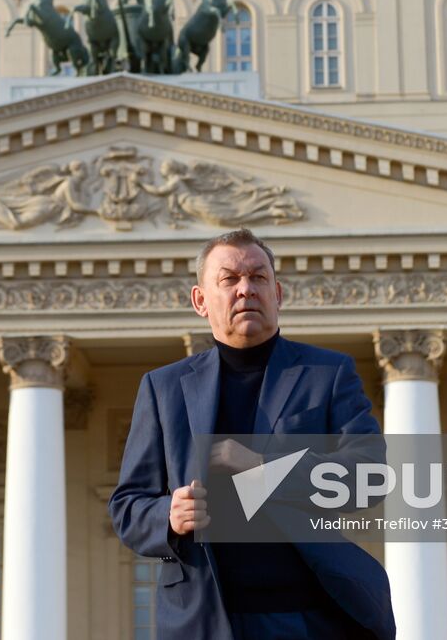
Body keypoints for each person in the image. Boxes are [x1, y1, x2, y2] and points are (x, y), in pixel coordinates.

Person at [109, 228, 397, 639]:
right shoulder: (163, 389)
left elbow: (370, 476)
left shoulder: (327, 375)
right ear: (200, 301)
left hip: (309, 618)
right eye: (229, 279)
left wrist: (265, 468)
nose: (246, 290)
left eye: (258, 278)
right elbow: (127, 506)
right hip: (202, 619)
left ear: (278, 294)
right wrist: (168, 516)